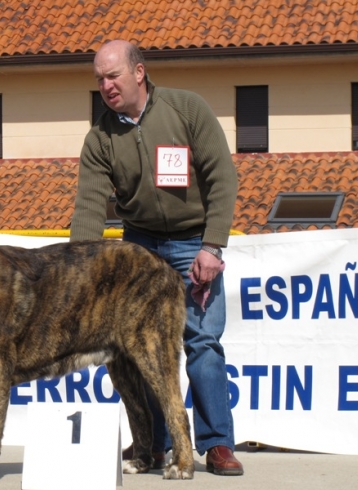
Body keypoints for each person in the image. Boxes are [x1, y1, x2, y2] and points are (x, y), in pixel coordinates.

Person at [69, 40, 243, 476]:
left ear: (139, 72)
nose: (106, 85)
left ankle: (217, 445)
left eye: (113, 76)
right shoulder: (100, 137)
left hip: (193, 242)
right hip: (139, 246)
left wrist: (212, 246)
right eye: (99, 79)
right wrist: (76, 272)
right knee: (137, 350)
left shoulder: (187, 109)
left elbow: (222, 177)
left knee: (202, 342)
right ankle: (153, 445)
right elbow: (89, 208)